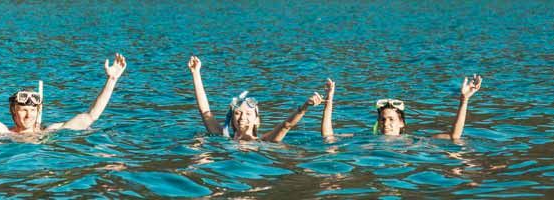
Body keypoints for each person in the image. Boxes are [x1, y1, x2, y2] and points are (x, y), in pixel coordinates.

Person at [0, 38, 126, 137]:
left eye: (32, 110)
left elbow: (90, 116)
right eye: (23, 110)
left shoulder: (50, 132)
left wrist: (112, 80)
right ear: (13, 111)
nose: (29, 115)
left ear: (39, 111)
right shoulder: (0, 132)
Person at [186, 56, 324, 142]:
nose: (242, 117)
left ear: (257, 120)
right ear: (232, 118)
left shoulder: (264, 141)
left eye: (248, 113)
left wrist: (304, 107)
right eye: (238, 113)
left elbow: (286, 125)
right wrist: (196, 73)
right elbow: (205, 110)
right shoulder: (223, 136)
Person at [320, 74, 483, 141]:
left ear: (401, 123)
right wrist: (329, 101)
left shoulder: (413, 142)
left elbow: (454, 136)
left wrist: (464, 100)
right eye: (383, 119)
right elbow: (328, 136)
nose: (386, 123)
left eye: (391, 119)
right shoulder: (365, 140)